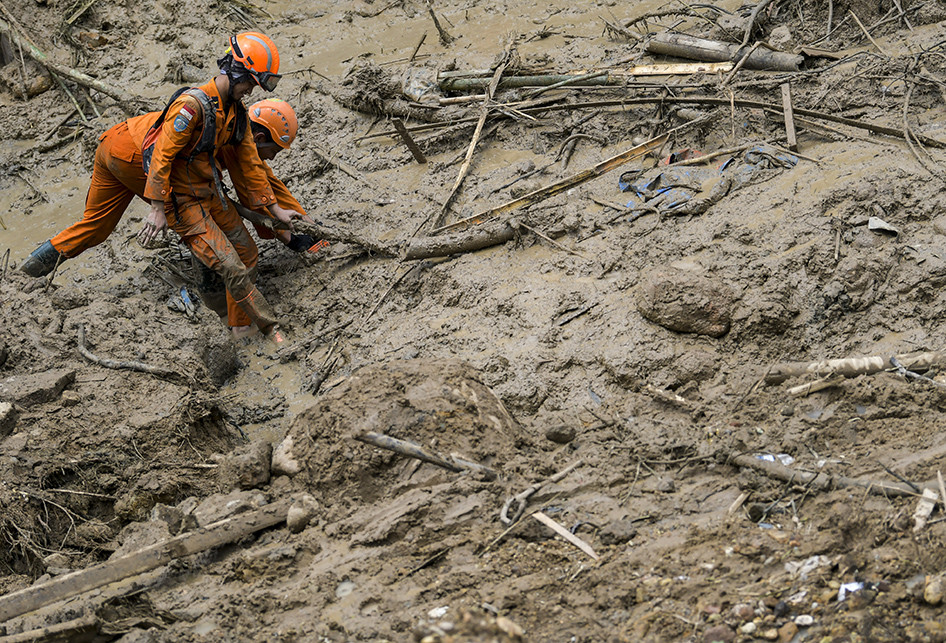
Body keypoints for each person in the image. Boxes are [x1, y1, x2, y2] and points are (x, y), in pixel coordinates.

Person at [21, 32, 302, 342]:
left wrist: (275, 210)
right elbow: (162, 154)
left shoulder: (235, 114)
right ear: (235, 71)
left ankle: (30, 270)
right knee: (197, 225)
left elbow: (251, 165)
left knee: (96, 227)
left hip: (123, 147)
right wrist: (158, 209)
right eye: (249, 81)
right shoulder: (194, 105)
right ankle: (233, 317)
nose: (250, 89)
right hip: (136, 158)